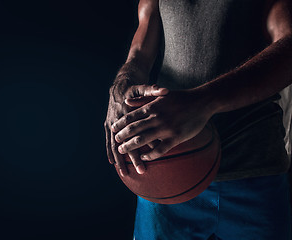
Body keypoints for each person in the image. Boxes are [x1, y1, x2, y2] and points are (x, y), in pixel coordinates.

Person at [104, 0, 292, 239]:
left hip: (253, 166)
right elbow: (140, 52)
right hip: (167, 169)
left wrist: (203, 102)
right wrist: (123, 81)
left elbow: (288, 48)